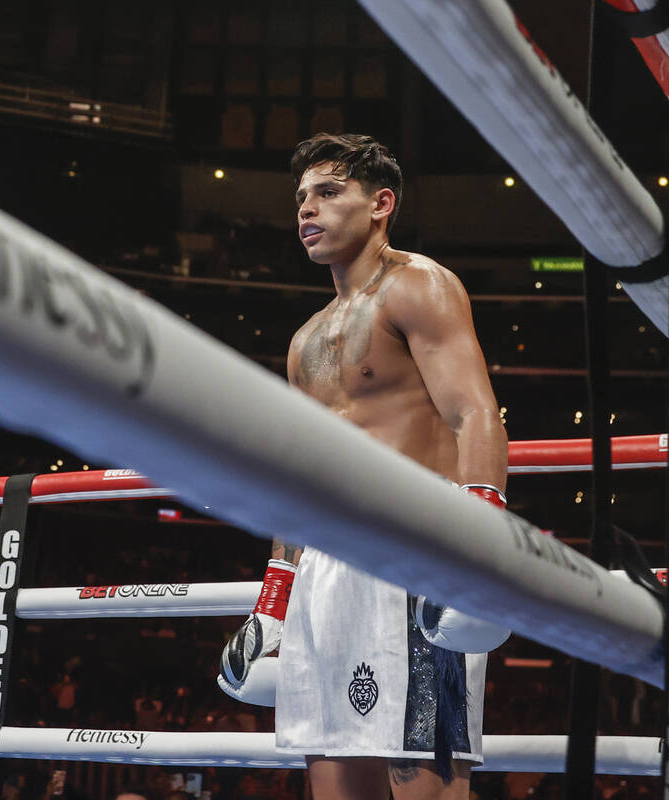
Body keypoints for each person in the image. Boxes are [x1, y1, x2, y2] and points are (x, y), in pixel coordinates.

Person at [218, 133, 509, 800]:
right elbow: (300, 477)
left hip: (415, 556)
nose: (306, 209)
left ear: (381, 204)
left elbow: (473, 412)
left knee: (425, 779)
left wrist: (478, 546)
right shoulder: (304, 341)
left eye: (327, 192)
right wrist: (273, 600)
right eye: (301, 197)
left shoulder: (418, 286)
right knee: (332, 776)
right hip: (324, 572)